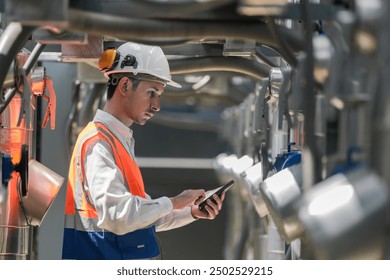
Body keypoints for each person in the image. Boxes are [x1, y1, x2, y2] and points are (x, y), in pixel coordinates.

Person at [62, 42, 225, 260]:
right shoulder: (98, 143)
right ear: (125, 86)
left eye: (159, 95)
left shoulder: (118, 140)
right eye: (151, 92)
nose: (157, 105)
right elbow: (118, 215)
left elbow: (143, 216)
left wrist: (192, 211)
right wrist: (175, 201)